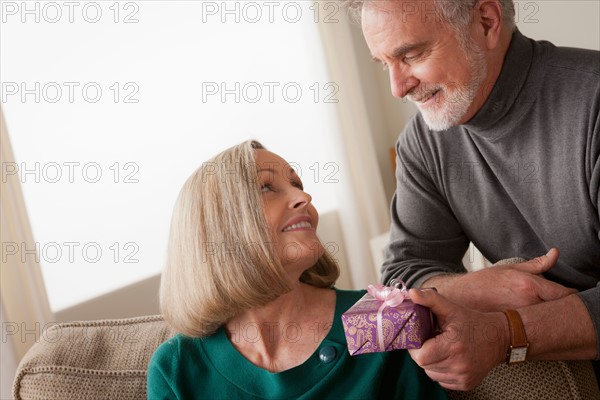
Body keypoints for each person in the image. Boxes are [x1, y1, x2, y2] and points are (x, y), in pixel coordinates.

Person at [343, 0, 600, 391]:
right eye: (383, 64)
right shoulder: (423, 143)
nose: (397, 88)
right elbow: (398, 279)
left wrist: (504, 334)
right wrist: (477, 286)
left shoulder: (593, 101)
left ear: (486, 20)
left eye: (411, 55)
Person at [147, 140, 447, 399]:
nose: (304, 198)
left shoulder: (385, 319)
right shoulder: (176, 368)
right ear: (219, 227)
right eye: (267, 187)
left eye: (297, 184)